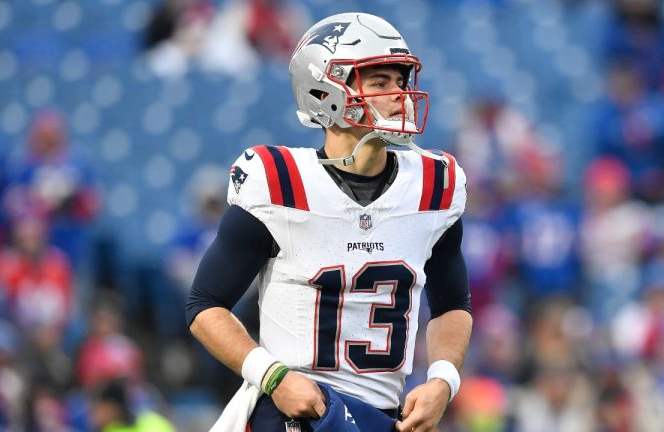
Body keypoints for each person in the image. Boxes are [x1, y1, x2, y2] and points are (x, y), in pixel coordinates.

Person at [186, 12, 472, 432]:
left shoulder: (433, 186)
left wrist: (444, 379)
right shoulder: (279, 182)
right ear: (324, 92)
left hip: (382, 418)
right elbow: (204, 305)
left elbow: (452, 306)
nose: (400, 95)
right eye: (379, 83)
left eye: (400, 81)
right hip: (295, 411)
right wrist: (272, 376)